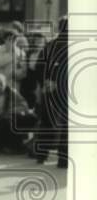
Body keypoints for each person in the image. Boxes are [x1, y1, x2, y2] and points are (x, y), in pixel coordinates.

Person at [37, 15, 69, 168]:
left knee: (47, 122)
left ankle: (41, 155)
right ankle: (63, 159)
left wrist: (46, 82)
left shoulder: (50, 45)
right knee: (67, 126)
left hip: (50, 90)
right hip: (66, 91)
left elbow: (38, 67)